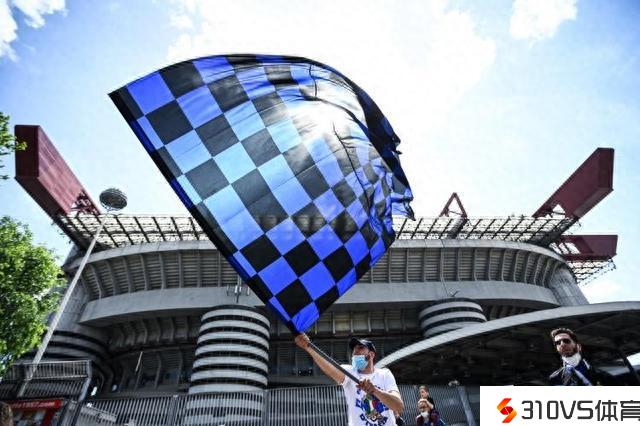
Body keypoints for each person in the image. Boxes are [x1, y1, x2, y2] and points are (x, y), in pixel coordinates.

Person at [295, 333, 404, 425]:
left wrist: (374, 390)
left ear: (371, 354)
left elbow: (398, 406)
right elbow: (330, 368)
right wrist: (308, 347)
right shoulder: (349, 372)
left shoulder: (384, 374)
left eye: (360, 348)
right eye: (354, 349)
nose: (355, 351)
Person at [549, 327, 614, 385]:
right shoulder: (556, 378)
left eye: (566, 341)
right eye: (557, 343)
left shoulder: (602, 371)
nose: (562, 344)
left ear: (578, 346)